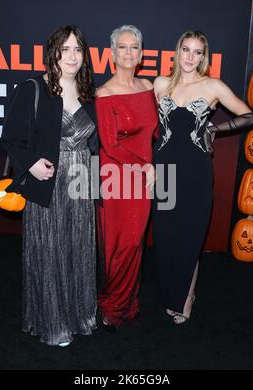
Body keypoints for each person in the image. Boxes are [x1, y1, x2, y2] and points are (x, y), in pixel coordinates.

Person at [1, 25, 98, 346]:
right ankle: (53, 323)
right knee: (50, 251)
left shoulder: (87, 91)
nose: (71, 56)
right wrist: (30, 163)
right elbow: (10, 138)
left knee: (79, 251)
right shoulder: (33, 89)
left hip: (81, 184)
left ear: (85, 56)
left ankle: (79, 315)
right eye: (64, 49)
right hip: (49, 184)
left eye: (77, 50)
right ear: (52, 53)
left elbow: (94, 141)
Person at [152, 30, 253, 324]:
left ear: (203, 56)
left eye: (197, 52)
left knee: (190, 236)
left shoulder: (212, 86)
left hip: (196, 172)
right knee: (166, 235)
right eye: (186, 49)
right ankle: (169, 291)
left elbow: (248, 115)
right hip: (164, 171)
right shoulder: (160, 84)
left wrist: (213, 130)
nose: (190, 57)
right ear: (177, 51)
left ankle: (187, 295)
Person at [95, 25, 158, 328]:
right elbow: (110, 144)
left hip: (143, 180)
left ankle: (127, 300)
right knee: (118, 243)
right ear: (112, 54)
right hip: (117, 177)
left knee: (135, 242)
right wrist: (145, 166)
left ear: (142, 53)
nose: (129, 52)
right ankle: (111, 303)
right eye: (122, 47)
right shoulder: (104, 93)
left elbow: (155, 132)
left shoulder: (147, 87)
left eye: (134, 47)